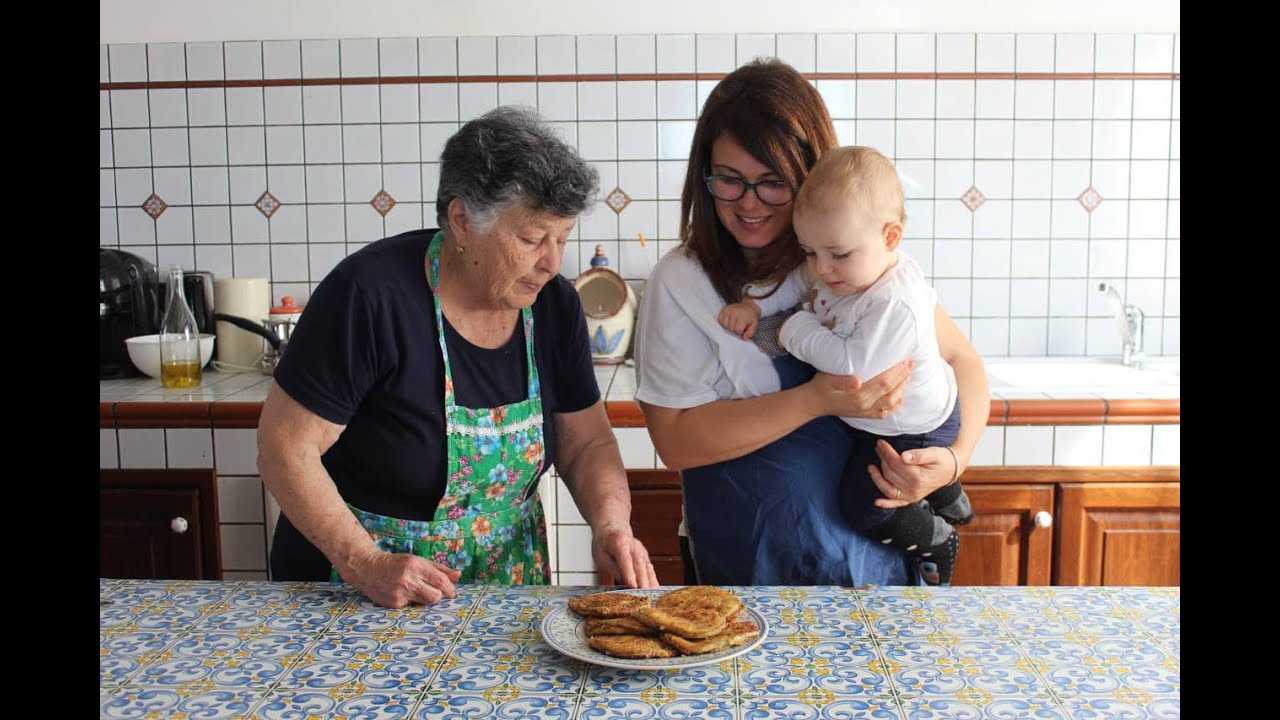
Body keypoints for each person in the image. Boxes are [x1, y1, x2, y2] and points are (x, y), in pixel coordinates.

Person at [258, 107, 659, 608]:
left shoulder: (553, 306)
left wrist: (611, 526)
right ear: (462, 220)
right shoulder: (369, 295)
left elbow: (586, 444)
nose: (552, 262)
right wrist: (364, 562)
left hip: (504, 590)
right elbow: (284, 449)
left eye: (562, 238)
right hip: (361, 591)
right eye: (533, 239)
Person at [634, 58, 990, 586]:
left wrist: (954, 461)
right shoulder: (681, 282)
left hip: (876, 570)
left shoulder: (855, 265)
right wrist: (819, 398)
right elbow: (676, 442)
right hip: (753, 570)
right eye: (729, 180)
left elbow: (963, 361)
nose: (749, 203)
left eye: (773, 182)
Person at [717, 146, 974, 586]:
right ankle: (949, 494)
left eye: (836, 255)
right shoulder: (847, 262)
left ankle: (936, 537)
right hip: (882, 417)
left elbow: (848, 366)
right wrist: (754, 307)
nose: (822, 269)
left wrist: (792, 328)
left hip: (916, 426)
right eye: (810, 251)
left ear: (890, 238)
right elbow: (794, 283)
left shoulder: (895, 303)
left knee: (864, 504)